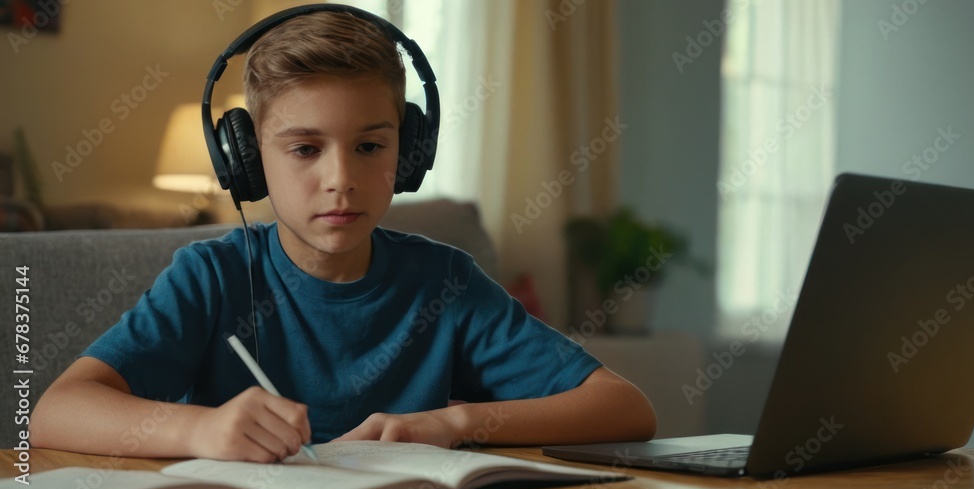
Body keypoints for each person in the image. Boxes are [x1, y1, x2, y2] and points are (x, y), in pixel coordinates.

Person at [31, 7, 656, 463]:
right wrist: (198, 431)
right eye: (305, 148)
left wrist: (455, 421)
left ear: (409, 152)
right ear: (246, 161)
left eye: (370, 146)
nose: (342, 180)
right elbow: (54, 414)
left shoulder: (446, 282)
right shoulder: (211, 277)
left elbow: (626, 408)